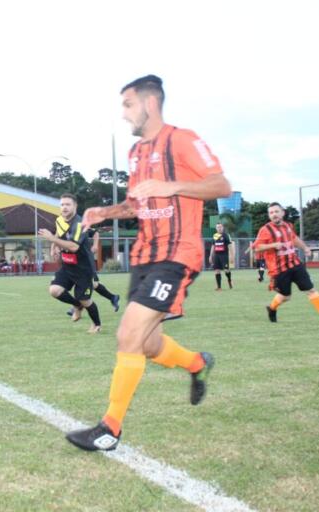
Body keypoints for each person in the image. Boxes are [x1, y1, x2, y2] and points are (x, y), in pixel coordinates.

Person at [64, 75, 231, 451]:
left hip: (177, 255)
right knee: (149, 343)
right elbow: (137, 206)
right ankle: (196, 364)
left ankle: (110, 428)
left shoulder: (183, 140)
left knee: (128, 334)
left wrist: (171, 186)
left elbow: (221, 186)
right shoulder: (136, 154)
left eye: (127, 105)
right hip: (145, 256)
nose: (123, 114)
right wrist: (105, 211)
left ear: (149, 103)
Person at [253, 202, 319, 326]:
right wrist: (273, 245)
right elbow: (256, 248)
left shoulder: (288, 226)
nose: (274, 214)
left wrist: (305, 248)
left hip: (295, 264)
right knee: (286, 296)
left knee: (310, 290)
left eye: (276, 211)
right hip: (279, 269)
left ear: (283, 212)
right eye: (271, 213)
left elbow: (294, 239)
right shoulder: (265, 230)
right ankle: (272, 308)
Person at [39, 193, 102, 334]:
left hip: (83, 269)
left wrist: (51, 239)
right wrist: (53, 247)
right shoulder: (60, 220)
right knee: (54, 290)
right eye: (62, 204)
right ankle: (77, 305)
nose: (64, 207)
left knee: (85, 299)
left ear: (75, 206)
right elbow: (58, 234)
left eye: (68, 204)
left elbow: (74, 247)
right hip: (68, 266)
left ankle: (97, 325)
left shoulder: (80, 224)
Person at [66, 228, 121, 319]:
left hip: (87, 261)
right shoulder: (64, 227)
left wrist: (95, 245)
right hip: (78, 262)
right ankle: (113, 297)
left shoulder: (80, 225)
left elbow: (95, 233)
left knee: (85, 283)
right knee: (92, 284)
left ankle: (76, 306)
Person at [209, 223, 233, 290]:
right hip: (216, 255)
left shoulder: (226, 235)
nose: (219, 228)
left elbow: (229, 245)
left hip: (224, 255)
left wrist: (231, 255)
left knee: (226, 270)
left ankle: (229, 280)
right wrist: (210, 256)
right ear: (216, 228)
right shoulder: (215, 235)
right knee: (217, 270)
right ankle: (219, 287)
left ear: (223, 228)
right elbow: (213, 246)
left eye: (220, 227)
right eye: (218, 227)